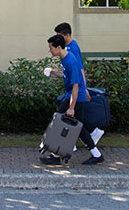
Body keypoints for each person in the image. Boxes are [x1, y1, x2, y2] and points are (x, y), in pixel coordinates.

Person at [41, 34, 104, 165]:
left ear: (58, 47)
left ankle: (56, 155)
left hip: (75, 97)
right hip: (74, 96)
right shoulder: (64, 59)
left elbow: (76, 86)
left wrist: (71, 107)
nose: (50, 51)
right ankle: (97, 155)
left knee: (58, 120)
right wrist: (53, 72)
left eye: (51, 48)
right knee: (79, 128)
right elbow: (65, 74)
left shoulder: (71, 61)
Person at [48, 22, 104, 145]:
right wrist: (54, 72)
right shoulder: (64, 50)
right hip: (73, 91)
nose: (58, 39)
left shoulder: (73, 48)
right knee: (78, 122)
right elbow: (67, 72)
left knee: (63, 118)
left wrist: (84, 88)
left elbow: (80, 70)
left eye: (60, 36)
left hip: (76, 91)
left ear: (67, 35)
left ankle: (62, 148)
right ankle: (94, 144)